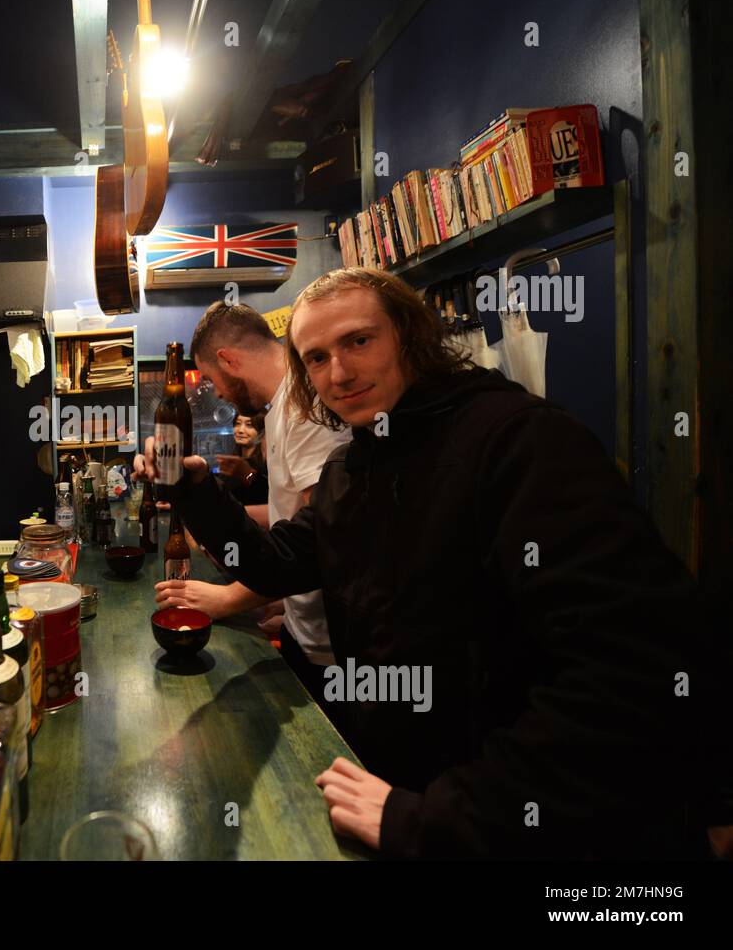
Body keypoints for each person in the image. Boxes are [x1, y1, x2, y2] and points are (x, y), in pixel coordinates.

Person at [136, 266, 728, 858]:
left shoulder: (519, 441)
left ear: (410, 338)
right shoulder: (356, 466)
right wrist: (195, 493)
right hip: (411, 787)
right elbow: (281, 562)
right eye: (316, 358)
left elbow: (629, 675)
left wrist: (430, 820)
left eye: (358, 342)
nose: (338, 373)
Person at [154, 301, 350, 706]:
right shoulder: (281, 408)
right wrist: (289, 607)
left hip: (335, 658)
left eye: (212, 379)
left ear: (228, 360)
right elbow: (295, 522)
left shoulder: (305, 411)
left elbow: (330, 545)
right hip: (305, 630)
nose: (220, 393)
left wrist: (228, 598)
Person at [217, 410, 269, 506]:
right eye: (237, 424)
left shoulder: (266, 465)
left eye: (249, 425)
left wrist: (248, 474)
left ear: (261, 431)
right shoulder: (231, 461)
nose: (240, 430)